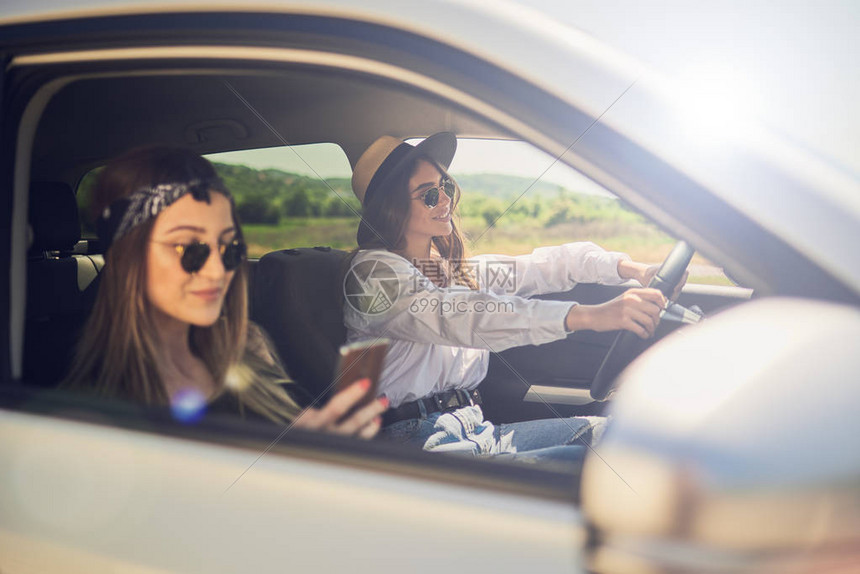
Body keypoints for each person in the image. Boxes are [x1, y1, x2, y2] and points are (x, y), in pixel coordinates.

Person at [344, 132, 684, 460]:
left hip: (477, 429)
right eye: (429, 194)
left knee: (617, 437)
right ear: (393, 209)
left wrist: (632, 269)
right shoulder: (372, 277)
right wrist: (592, 317)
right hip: (414, 441)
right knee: (583, 467)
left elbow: (543, 266)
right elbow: (462, 316)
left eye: (444, 186)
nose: (445, 199)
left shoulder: (451, 271)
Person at [64, 146, 387, 437]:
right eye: (190, 249)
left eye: (230, 248)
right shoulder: (91, 418)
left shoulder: (248, 346)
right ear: (128, 256)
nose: (219, 270)